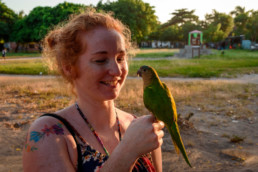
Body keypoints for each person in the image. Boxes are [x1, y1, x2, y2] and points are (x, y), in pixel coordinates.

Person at [23, 10, 164, 172]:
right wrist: (127, 152)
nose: (117, 71)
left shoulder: (142, 130)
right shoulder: (48, 135)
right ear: (69, 68)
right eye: (101, 60)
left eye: (120, 58)